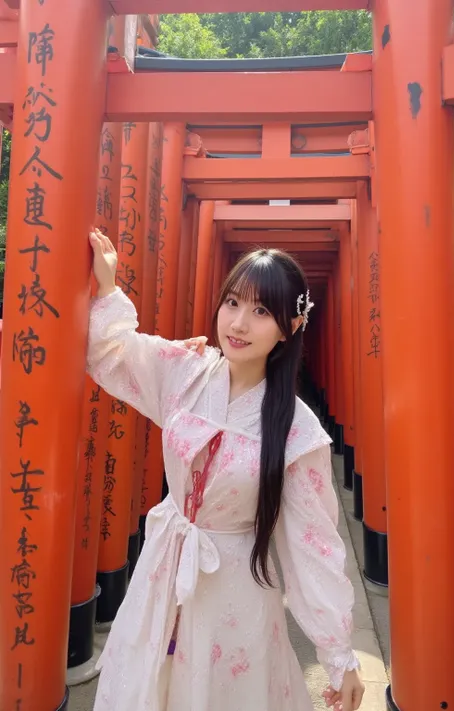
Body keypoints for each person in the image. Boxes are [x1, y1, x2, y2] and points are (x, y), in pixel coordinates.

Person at [87, 228, 365, 711]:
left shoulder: (296, 431)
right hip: (163, 568)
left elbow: (313, 548)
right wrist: (109, 288)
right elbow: (115, 353)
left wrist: (339, 654)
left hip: (233, 590)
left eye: (261, 312)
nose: (238, 323)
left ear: (291, 326)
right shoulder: (186, 370)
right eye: (233, 302)